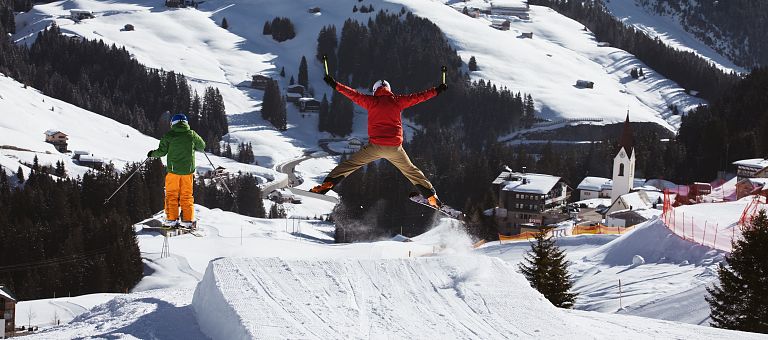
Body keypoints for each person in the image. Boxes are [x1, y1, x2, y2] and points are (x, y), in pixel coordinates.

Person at [310, 75, 448, 208]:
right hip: (395, 148)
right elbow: (419, 97)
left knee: (349, 164)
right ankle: (431, 196)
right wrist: (437, 90)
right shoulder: (398, 101)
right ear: (389, 89)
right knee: (411, 171)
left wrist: (334, 84)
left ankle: (326, 185)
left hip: (375, 147)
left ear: (375, 90)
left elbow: (352, 94)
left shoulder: (370, 101)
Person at [148, 113, 206, 227]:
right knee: (187, 195)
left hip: (173, 171)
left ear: (172, 123)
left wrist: (151, 154)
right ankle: (187, 220)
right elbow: (202, 146)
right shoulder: (192, 134)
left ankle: (171, 219)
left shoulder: (169, 135)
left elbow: (162, 152)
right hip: (188, 172)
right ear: (186, 123)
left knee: (171, 194)